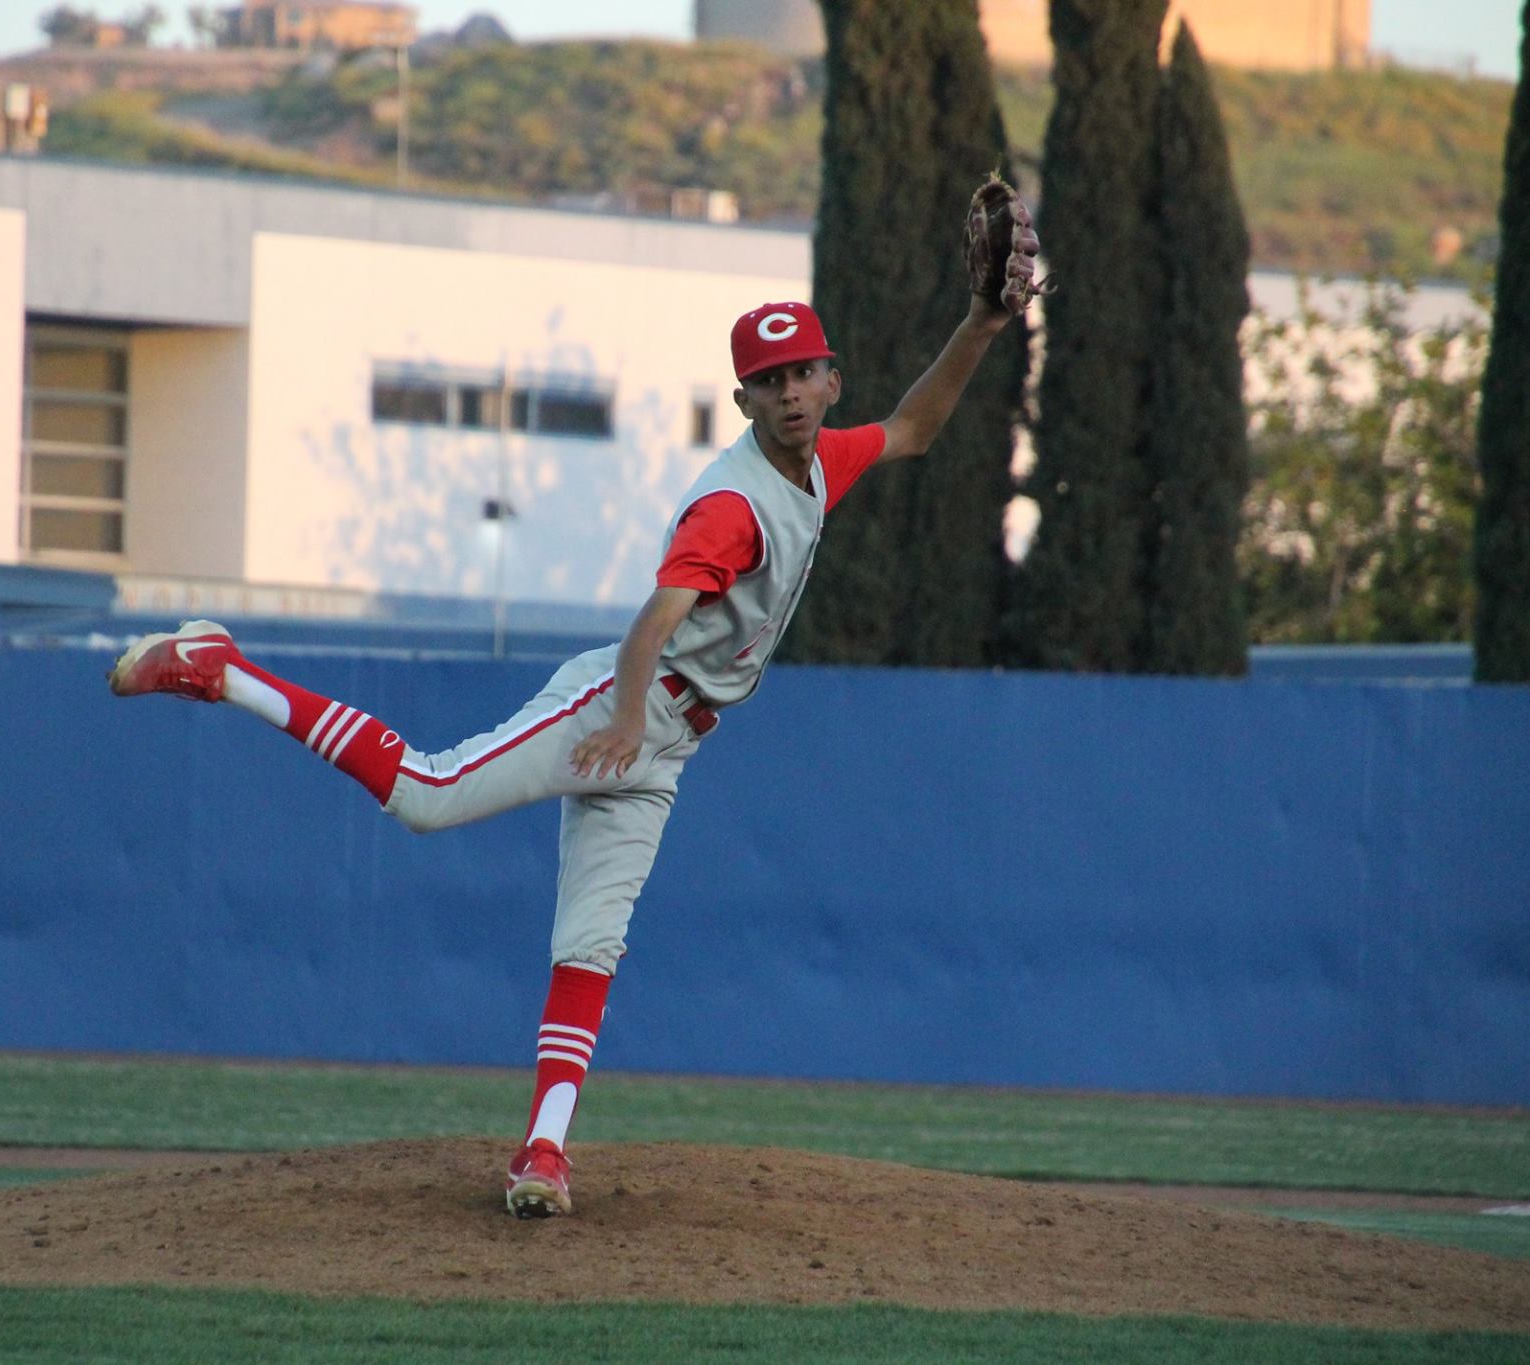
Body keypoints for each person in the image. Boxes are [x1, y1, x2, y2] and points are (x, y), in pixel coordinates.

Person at [109, 208, 1039, 1219]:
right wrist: (627, 720)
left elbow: (913, 429)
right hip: (621, 708)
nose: (786, 394)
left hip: (667, 742)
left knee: (590, 945)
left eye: (800, 374)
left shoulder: (821, 463)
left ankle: (543, 1153)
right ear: (741, 398)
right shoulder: (730, 506)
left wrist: (982, 323)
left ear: (830, 382)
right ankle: (223, 669)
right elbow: (652, 623)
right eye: (766, 381)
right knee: (427, 794)